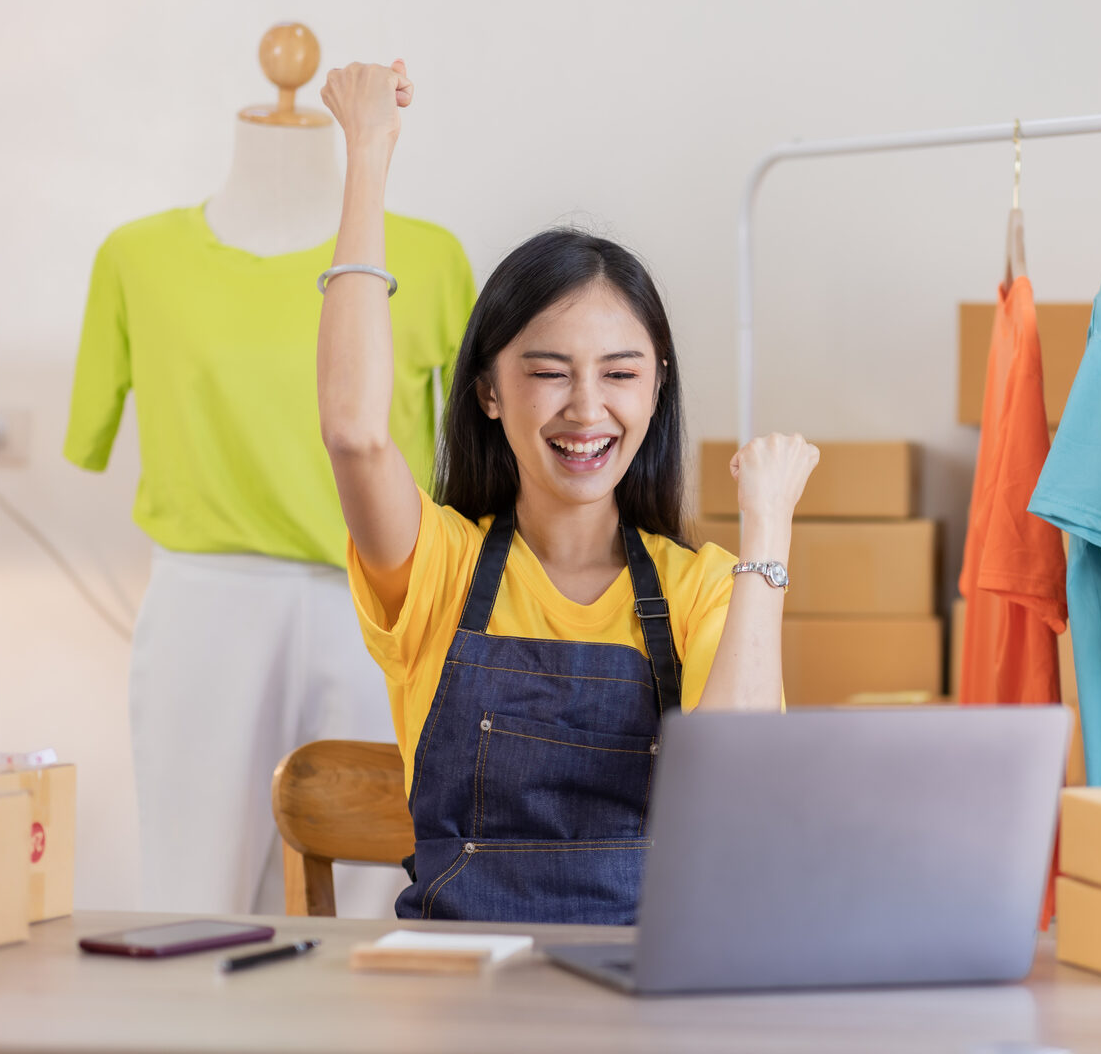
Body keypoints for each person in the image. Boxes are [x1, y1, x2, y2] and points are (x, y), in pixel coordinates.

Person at [316, 60, 817, 923]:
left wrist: (766, 534)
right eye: (548, 372)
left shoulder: (705, 587)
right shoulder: (436, 567)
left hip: (642, 995)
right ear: (488, 391)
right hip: (457, 997)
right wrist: (367, 149)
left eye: (620, 373)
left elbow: (738, 796)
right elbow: (356, 432)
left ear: (656, 387)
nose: (586, 409)